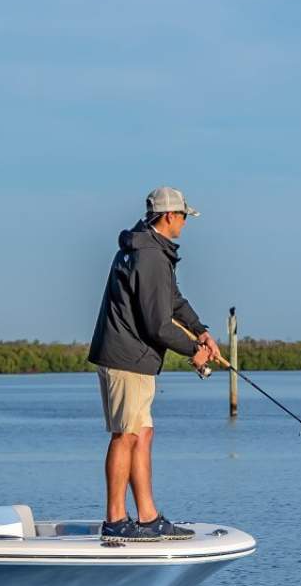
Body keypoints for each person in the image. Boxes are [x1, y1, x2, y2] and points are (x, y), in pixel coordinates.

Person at [87, 186, 223, 543]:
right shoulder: (148, 254)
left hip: (139, 358)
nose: (184, 224)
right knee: (126, 434)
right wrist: (193, 350)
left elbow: (173, 300)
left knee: (143, 433)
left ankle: (148, 517)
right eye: (182, 217)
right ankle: (115, 519)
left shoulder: (154, 251)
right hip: (126, 356)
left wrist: (201, 331)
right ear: (168, 216)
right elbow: (157, 323)